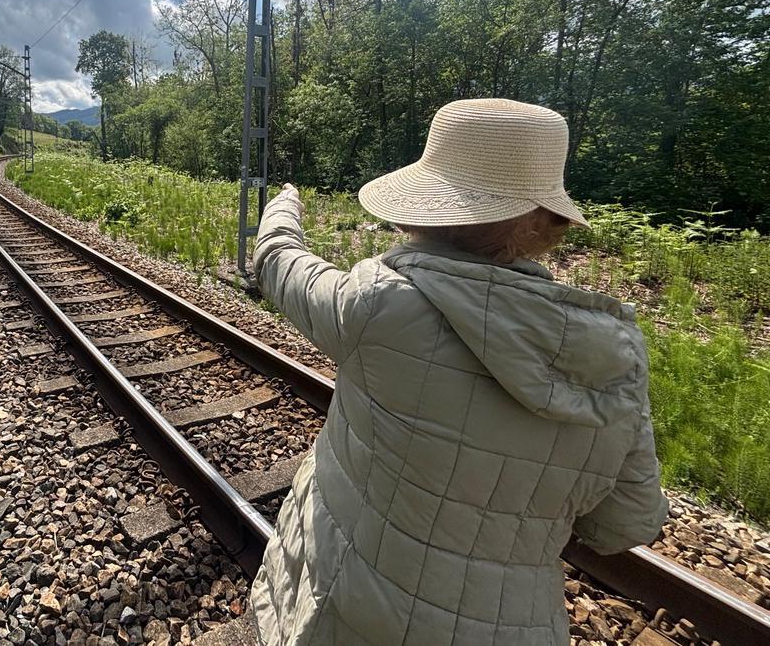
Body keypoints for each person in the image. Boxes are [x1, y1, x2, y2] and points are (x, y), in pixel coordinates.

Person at [250, 98, 668, 646]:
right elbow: (628, 523)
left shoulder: (377, 304)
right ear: (546, 222)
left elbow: (280, 262)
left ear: (419, 208)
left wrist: (285, 204)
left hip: (351, 606)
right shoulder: (613, 353)